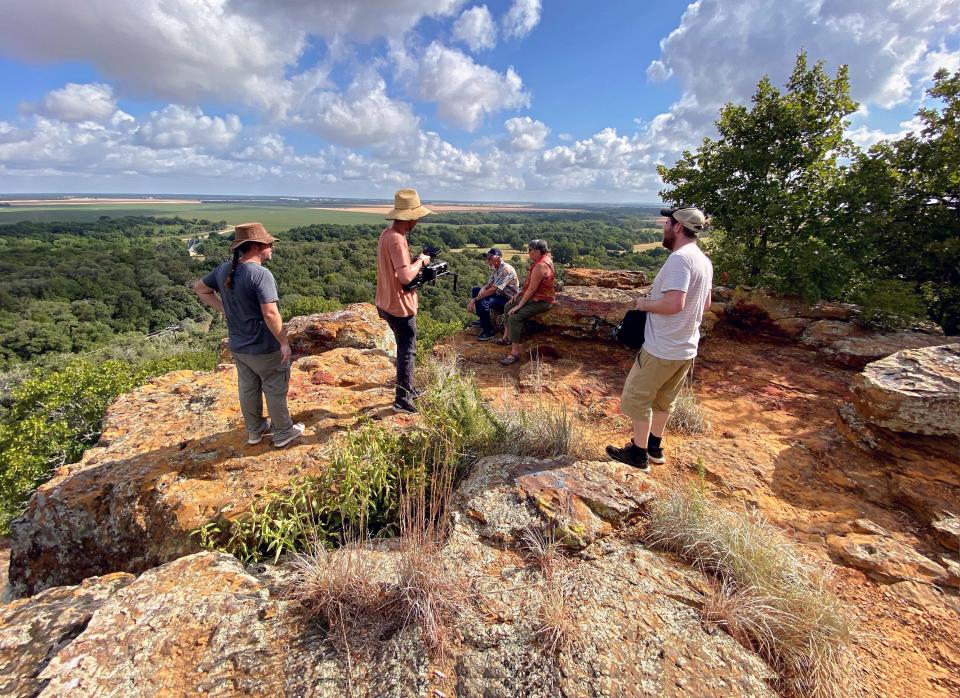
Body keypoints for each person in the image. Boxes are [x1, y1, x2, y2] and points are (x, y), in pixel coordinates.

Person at [606, 206, 713, 471]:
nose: (664, 227)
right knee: (664, 400)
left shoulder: (680, 259)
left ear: (678, 227)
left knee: (636, 397)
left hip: (662, 347)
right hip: (685, 348)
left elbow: (674, 303)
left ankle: (638, 455)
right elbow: (706, 303)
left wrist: (645, 304)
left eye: (667, 222)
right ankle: (655, 446)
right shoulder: (703, 260)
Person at [192, 222, 305, 448]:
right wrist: (283, 342)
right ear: (255, 247)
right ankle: (283, 432)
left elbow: (200, 288)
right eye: (268, 244)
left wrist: (225, 307)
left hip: (239, 345)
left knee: (248, 388)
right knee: (274, 387)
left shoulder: (225, 269)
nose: (271, 248)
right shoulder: (260, 274)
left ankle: (255, 431)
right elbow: (270, 313)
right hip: (264, 345)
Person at [376, 188, 433, 414]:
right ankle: (402, 398)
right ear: (410, 218)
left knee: (404, 348)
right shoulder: (398, 240)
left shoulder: (385, 235)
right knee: (407, 351)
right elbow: (406, 276)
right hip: (400, 306)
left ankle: (408, 387)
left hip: (385, 301)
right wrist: (421, 261)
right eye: (416, 216)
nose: (418, 220)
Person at [498, 239, 556, 366]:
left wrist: (519, 305)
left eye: (530, 250)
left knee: (514, 317)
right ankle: (507, 338)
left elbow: (532, 289)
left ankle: (515, 353)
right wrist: (519, 293)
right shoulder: (542, 260)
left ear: (538, 251)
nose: (528, 252)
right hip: (534, 297)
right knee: (508, 306)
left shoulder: (541, 265)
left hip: (542, 301)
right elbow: (529, 286)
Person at [468, 248, 519, 341]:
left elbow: (493, 289)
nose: (488, 260)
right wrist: (483, 288)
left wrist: (474, 300)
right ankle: (483, 319)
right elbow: (490, 284)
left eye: (490, 258)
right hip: (498, 294)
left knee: (484, 302)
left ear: (498, 258)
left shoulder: (505, 269)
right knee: (476, 290)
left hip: (508, 298)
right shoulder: (496, 268)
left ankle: (488, 331)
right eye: (487, 258)